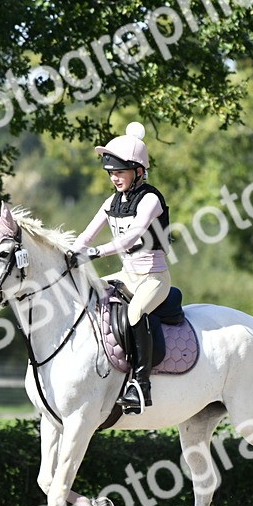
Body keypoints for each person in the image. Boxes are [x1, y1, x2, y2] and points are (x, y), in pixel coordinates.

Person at [71, 121, 172, 414]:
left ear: (139, 171)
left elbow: (133, 235)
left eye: (120, 172)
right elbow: (87, 235)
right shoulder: (112, 201)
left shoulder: (151, 198)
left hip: (153, 277)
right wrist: (72, 252)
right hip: (126, 274)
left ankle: (141, 385)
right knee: (85, 293)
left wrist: (97, 252)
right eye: (111, 173)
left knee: (134, 312)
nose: (114, 178)